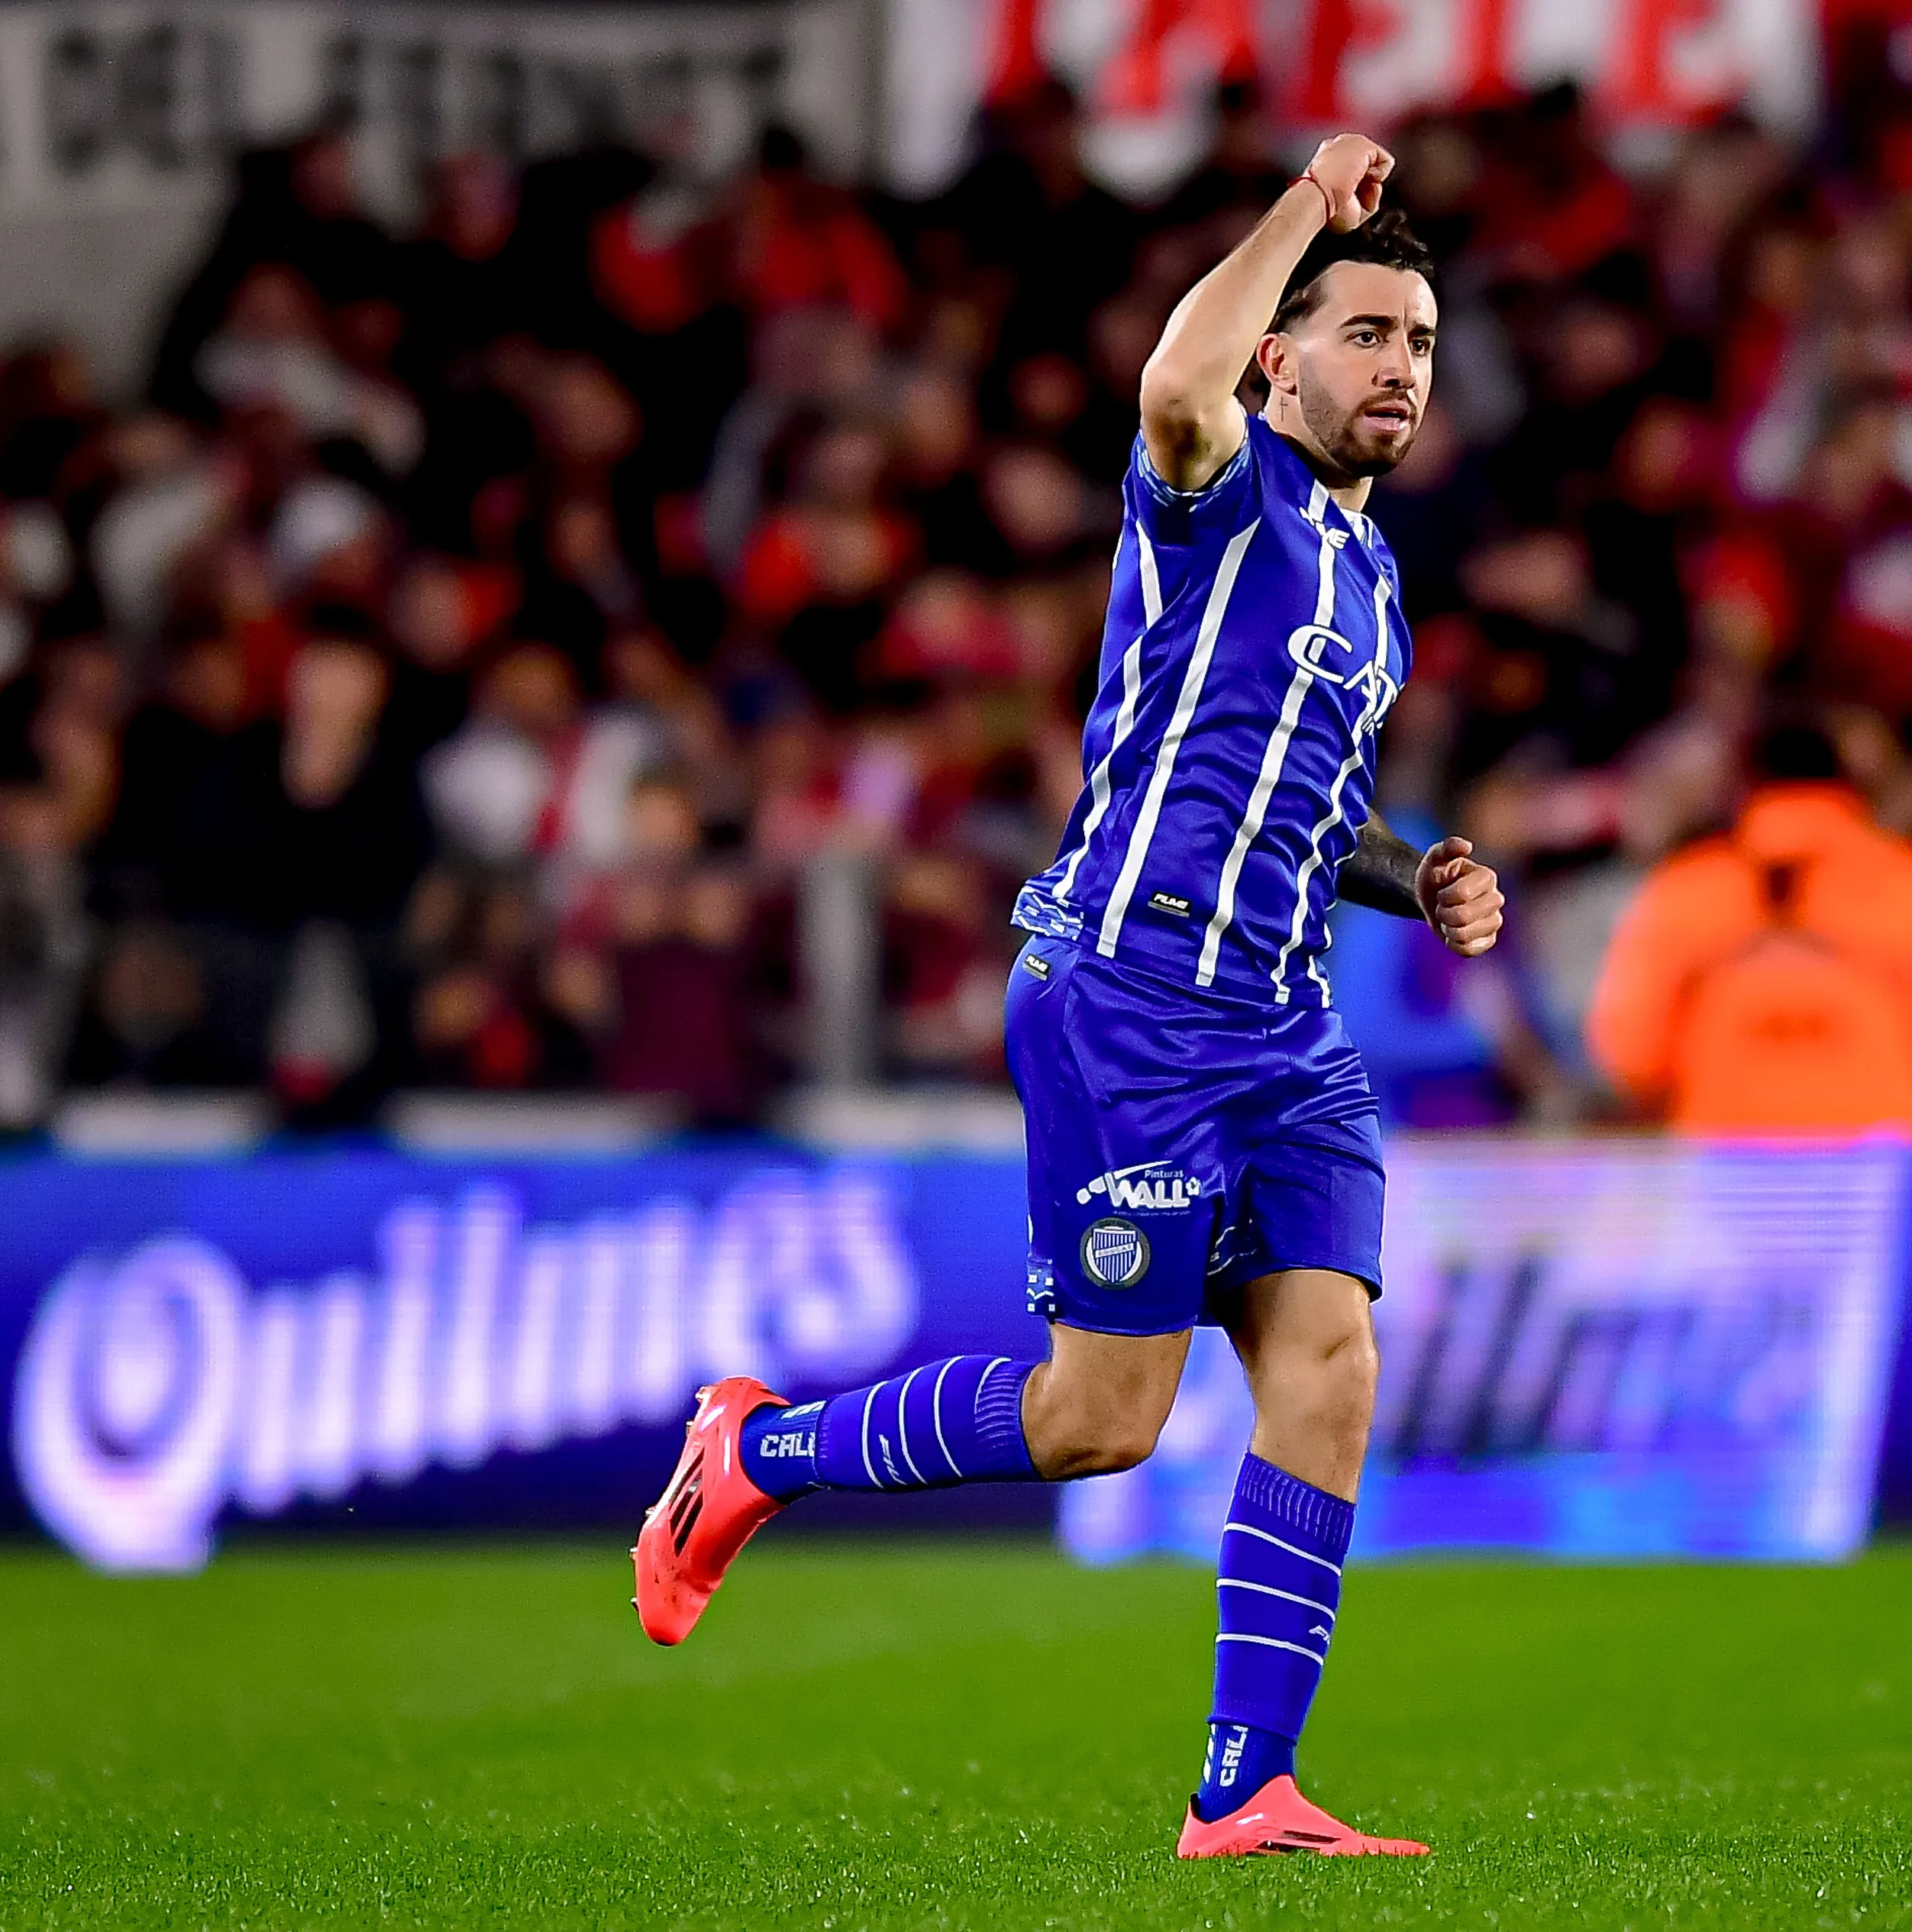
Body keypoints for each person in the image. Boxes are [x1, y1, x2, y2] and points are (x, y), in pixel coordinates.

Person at [631, 134, 1502, 1859]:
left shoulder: (1376, 582)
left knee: (1330, 1365)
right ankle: (756, 1452)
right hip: (1132, 999)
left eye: (1417, 340)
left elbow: (1306, 810)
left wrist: (1417, 876)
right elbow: (1174, 383)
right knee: (1097, 1421)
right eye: (1363, 333)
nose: (1398, 366)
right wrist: (1300, 211)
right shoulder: (1222, 487)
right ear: (1282, 359)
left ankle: (1244, 1788)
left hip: (1286, 1028)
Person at [1583, 717, 1912, 1141]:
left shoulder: (1683, 892)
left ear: (1743, 789)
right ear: (1849, 788)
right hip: (1888, 1161)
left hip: (1723, 1157)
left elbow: (1628, 1051)